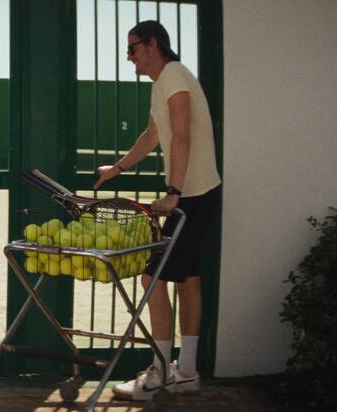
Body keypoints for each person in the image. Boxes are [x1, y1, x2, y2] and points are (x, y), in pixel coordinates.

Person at [93, 20, 222, 401]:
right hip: (199, 194)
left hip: (192, 196)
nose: (129, 57)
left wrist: (173, 193)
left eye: (132, 49)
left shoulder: (174, 76)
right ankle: (187, 372)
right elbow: (153, 136)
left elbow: (182, 134)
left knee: (152, 279)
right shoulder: (163, 83)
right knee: (189, 280)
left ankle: (161, 372)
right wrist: (116, 168)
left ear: (153, 44)